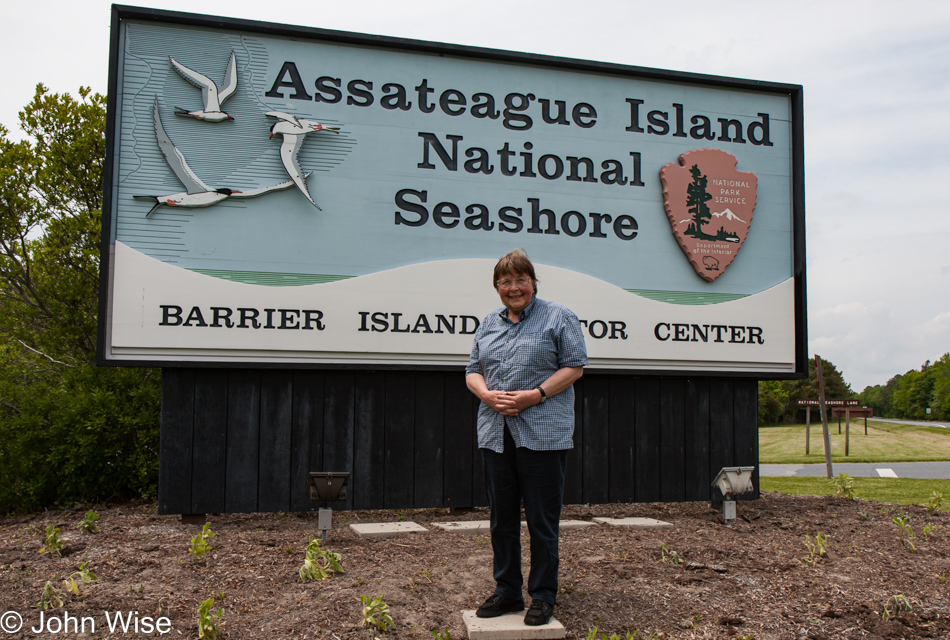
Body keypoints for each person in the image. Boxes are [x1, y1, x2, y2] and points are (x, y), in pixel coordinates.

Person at [465, 248, 588, 626]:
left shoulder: (559, 316)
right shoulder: (488, 322)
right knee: (501, 520)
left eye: (521, 280)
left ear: (533, 283)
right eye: (505, 282)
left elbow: (575, 366)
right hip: (496, 434)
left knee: (541, 520)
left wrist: (537, 395)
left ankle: (543, 595)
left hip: (543, 435)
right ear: (497, 287)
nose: (513, 287)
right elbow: (472, 369)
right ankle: (507, 592)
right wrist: (485, 394)